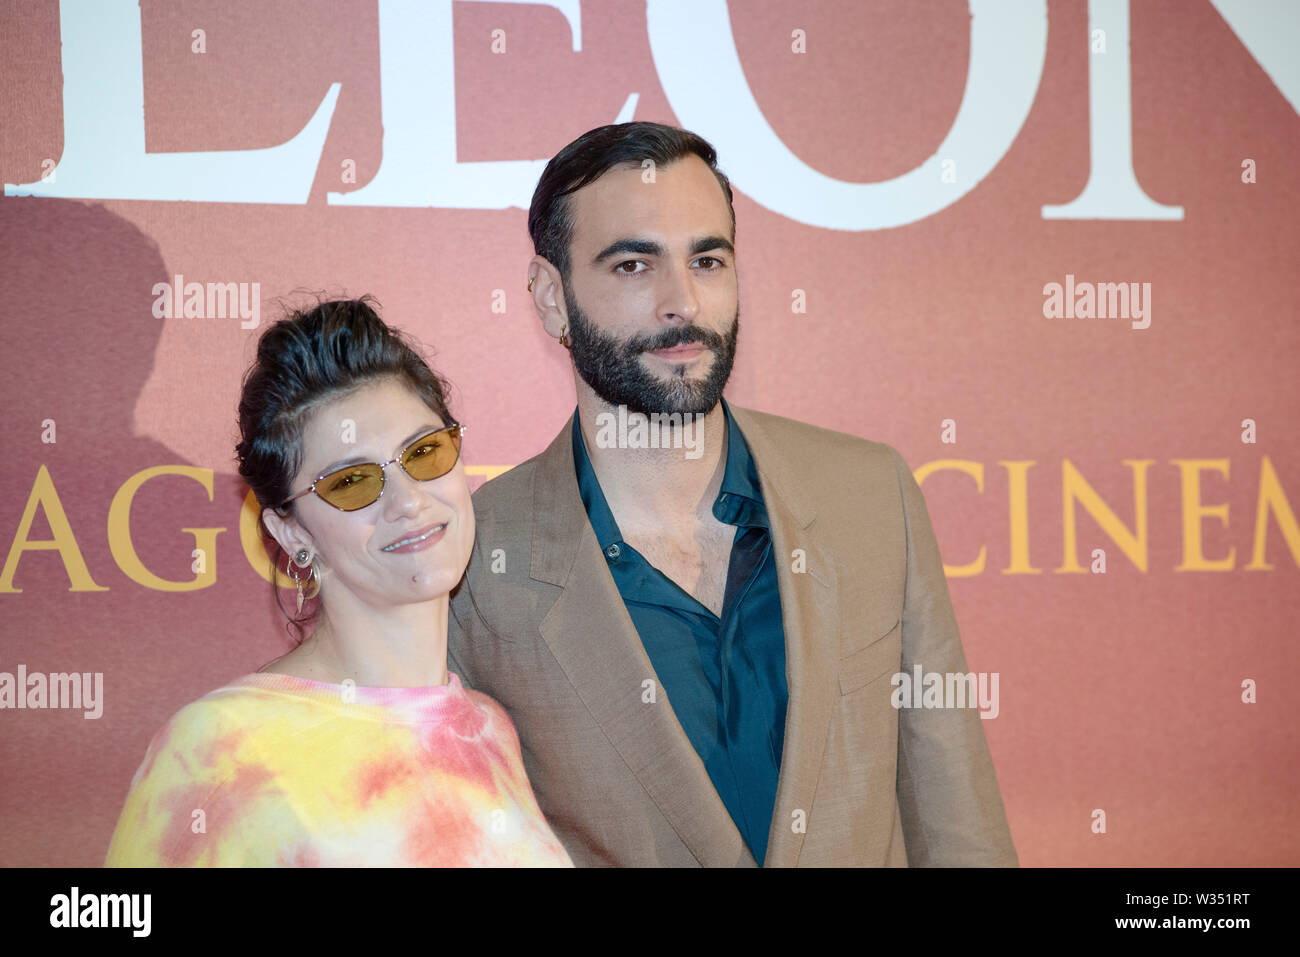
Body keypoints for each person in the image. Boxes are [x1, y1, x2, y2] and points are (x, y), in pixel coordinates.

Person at [446, 122, 1018, 866]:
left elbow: (957, 821)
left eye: (708, 259)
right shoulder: (476, 561)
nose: (682, 301)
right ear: (551, 298)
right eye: (632, 266)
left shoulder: (870, 495)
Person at [104, 298, 572, 867]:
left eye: (425, 453)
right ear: (289, 529)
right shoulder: (222, 751)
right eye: (351, 482)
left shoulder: (490, 731)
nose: (409, 501)